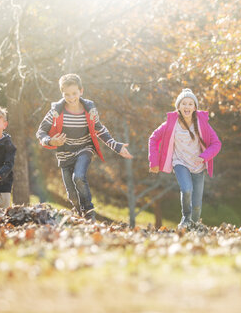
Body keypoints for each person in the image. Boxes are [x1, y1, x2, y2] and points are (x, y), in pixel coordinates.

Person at [36, 73, 133, 221]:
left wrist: (116, 146)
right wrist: (50, 141)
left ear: (81, 91)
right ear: (62, 93)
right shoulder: (56, 111)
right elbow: (41, 132)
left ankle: (88, 212)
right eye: (66, 94)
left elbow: (99, 129)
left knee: (79, 177)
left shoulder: (89, 110)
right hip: (64, 154)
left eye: (74, 93)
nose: (71, 97)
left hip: (84, 149)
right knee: (72, 195)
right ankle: (79, 214)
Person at [148, 89, 221, 229]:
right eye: (183, 103)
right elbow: (153, 138)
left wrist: (204, 157)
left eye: (190, 104)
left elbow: (216, 144)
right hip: (179, 162)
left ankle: (193, 226)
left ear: (195, 107)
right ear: (178, 107)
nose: (187, 106)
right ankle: (185, 219)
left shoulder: (202, 123)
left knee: (197, 206)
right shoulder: (170, 124)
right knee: (187, 189)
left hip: (198, 166)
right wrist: (154, 161)